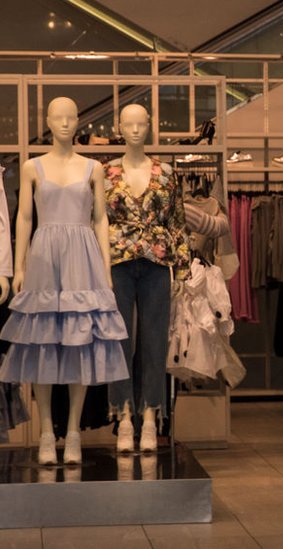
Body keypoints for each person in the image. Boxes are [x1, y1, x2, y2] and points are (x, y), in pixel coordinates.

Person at [0, 96, 128, 465]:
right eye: (58, 117)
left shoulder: (94, 168)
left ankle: (72, 432)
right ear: (48, 121)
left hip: (83, 255)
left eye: (72, 117)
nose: (66, 123)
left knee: (79, 341)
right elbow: (24, 217)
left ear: (78, 120)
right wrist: (19, 265)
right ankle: (44, 432)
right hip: (44, 254)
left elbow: (101, 218)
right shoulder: (31, 167)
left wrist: (105, 266)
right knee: (42, 340)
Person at [104, 103, 190, 453]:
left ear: (150, 125)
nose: (136, 130)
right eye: (129, 124)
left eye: (141, 124)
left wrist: (182, 268)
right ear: (120, 127)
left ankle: (151, 414)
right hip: (117, 262)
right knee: (118, 340)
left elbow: (177, 222)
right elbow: (97, 220)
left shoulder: (167, 173)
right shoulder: (105, 172)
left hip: (157, 261)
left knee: (154, 341)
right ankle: (123, 414)